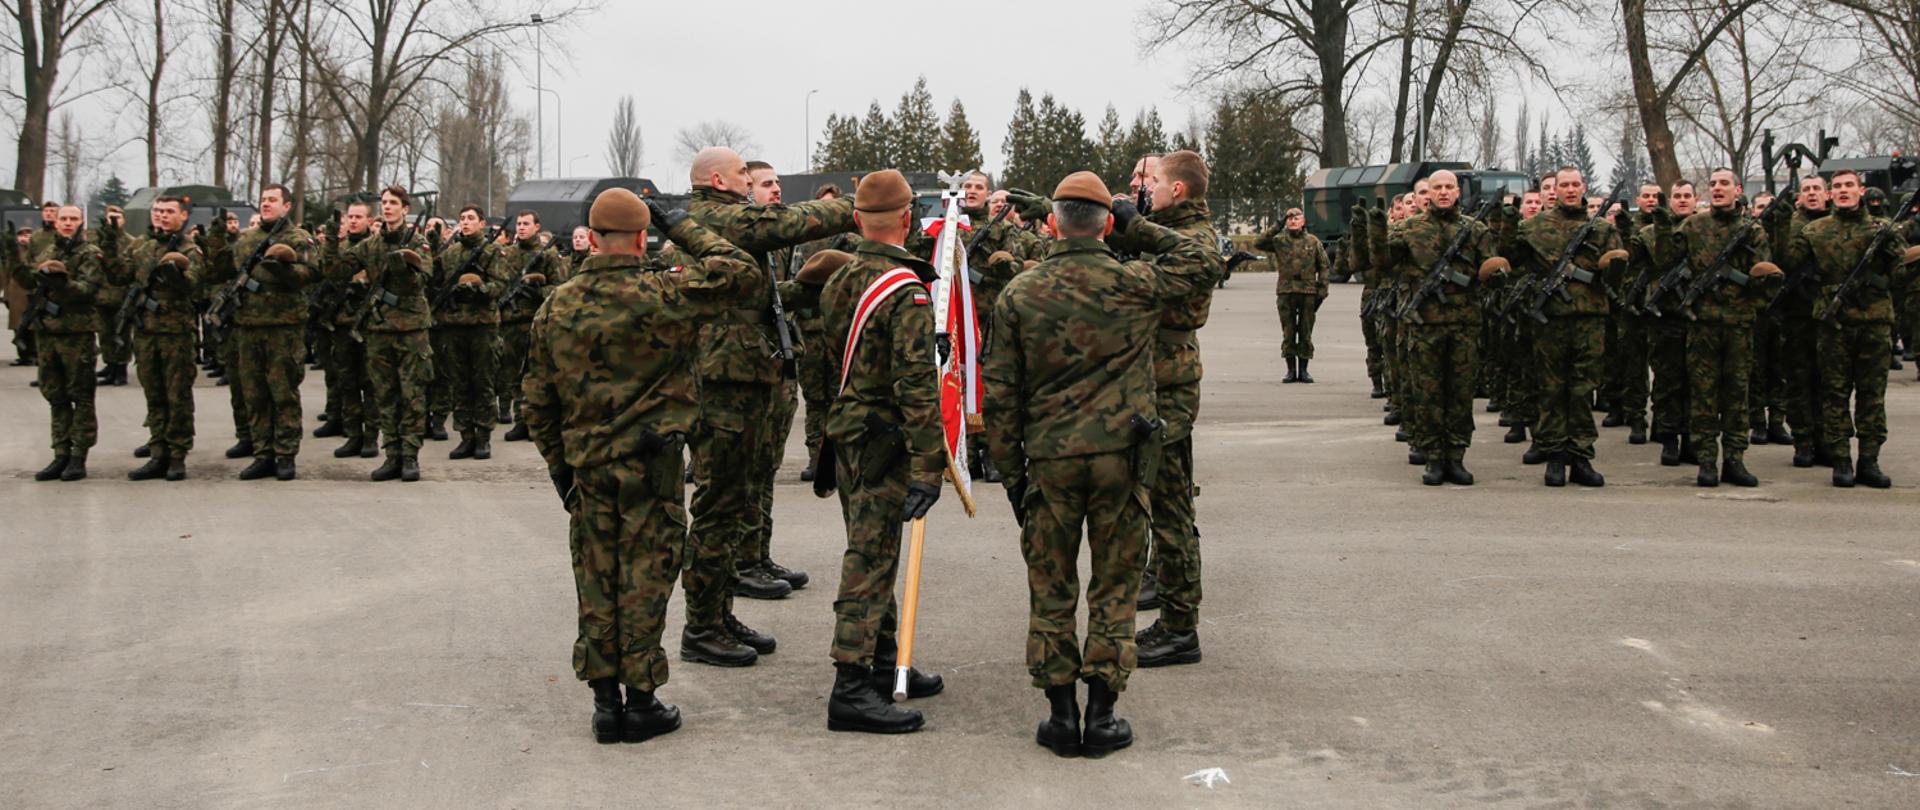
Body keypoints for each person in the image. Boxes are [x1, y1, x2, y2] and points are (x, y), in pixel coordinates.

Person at [984, 171, 1221, 758]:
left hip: (1051, 459)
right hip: (1121, 458)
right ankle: (1105, 714)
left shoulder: (1021, 292)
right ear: (1107, 225)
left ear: (1052, 224)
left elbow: (1000, 394)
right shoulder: (1135, 282)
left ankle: (1061, 716)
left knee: (1052, 586)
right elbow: (1201, 262)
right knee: (1115, 589)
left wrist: (1011, 472)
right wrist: (1142, 227)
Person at [522, 187, 758, 745]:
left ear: (592, 237)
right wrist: (680, 222)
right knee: (647, 577)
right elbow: (740, 271)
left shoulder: (557, 304)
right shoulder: (666, 292)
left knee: (597, 579)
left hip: (587, 465)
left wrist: (560, 469)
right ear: (641, 237)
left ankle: (606, 703)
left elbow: (536, 400)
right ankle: (642, 698)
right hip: (652, 463)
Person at [676, 146, 856, 667]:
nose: (750, 184)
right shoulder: (711, 214)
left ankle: (718, 612)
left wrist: (801, 291)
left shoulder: (720, 219)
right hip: (721, 382)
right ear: (719, 179)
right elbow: (784, 222)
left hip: (742, 376)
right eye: (741, 176)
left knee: (734, 502)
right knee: (717, 506)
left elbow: (753, 298)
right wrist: (856, 204)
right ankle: (701, 626)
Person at [806, 169, 948, 735]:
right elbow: (915, 385)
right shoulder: (905, 290)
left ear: (858, 220)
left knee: (876, 551)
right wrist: (929, 464)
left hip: (850, 435)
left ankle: (888, 663)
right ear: (909, 220)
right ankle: (851, 684)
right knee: (869, 561)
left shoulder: (842, 279)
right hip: (886, 443)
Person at [1131, 150, 1222, 668]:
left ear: (1178, 190)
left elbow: (1190, 273)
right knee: (1162, 501)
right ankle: (1170, 612)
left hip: (1169, 385)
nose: (1144, 187)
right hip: (1150, 377)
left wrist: (1137, 229)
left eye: (1152, 180)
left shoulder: (1194, 239)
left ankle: (1180, 628)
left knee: (1171, 508)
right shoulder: (1164, 228)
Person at [1787, 169, 1909, 488]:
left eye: (1848, 186)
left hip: (1873, 323)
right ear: (1830, 193)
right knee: (1834, 394)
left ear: (1861, 190)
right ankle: (1841, 459)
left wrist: (1881, 273)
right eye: (1837, 186)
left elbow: (1901, 275)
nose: (1843, 191)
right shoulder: (1814, 231)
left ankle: (1869, 460)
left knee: (1871, 397)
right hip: (1833, 325)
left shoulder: (1884, 230)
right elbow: (1790, 266)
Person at [1389, 170, 1506, 485]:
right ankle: (1434, 459)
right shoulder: (1408, 229)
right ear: (1427, 193)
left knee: (1459, 395)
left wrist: (1496, 276)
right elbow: (1383, 264)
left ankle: (1456, 456)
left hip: (1464, 326)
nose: (1442, 192)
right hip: (1425, 328)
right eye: (1436, 187)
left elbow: (1490, 266)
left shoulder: (1475, 229)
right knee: (1428, 395)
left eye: (1448, 187)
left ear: (1458, 191)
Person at [1670, 169, 1785, 486]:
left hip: (1738, 325)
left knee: (1737, 396)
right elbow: (1666, 263)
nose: (1718, 189)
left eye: (1725, 184)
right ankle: (1706, 461)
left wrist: (1749, 298)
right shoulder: (1693, 225)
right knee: (1703, 396)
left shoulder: (1752, 232)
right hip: (1703, 325)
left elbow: (1764, 275)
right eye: (1714, 184)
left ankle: (1734, 459)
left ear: (1737, 190)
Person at [1509, 167, 1621, 487]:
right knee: (1551, 389)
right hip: (1551, 320)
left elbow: (1615, 273)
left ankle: (1581, 457)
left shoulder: (1601, 229)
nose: (1570, 190)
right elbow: (1517, 264)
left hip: (1589, 319)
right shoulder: (1534, 227)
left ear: (1584, 187)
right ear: (1553, 190)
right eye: (1564, 185)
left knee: (1584, 390)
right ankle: (1555, 457)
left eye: (1575, 184)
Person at [206, 184, 314, 481]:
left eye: (272, 200)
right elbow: (218, 272)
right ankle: (263, 452)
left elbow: (310, 274)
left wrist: (284, 271)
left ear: (287, 205)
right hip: (248, 328)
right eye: (263, 200)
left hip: (283, 329)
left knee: (283, 394)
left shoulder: (297, 238)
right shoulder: (246, 240)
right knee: (254, 394)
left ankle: (285, 454)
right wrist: (216, 240)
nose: (266, 205)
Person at [739, 160, 811, 593]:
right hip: (748, 367)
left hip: (779, 362)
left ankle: (760, 554)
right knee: (747, 470)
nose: (776, 190)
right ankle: (744, 561)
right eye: (766, 185)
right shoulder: (740, 240)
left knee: (767, 467)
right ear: (746, 191)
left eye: (778, 183)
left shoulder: (778, 243)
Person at [111, 196, 203, 480]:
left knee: (177, 396)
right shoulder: (141, 246)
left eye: (168, 212)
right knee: (154, 394)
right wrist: (109, 240)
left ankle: (177, 455)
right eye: (157, 211)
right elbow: (119, 275)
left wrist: (174, 273)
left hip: (176, 334)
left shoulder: (190, 249)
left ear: (183, 215)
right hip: (146, 332)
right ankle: (157, 451)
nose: (161, 216)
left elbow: (193, 285)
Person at [13, 205, 102, 481]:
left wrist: (61, 282)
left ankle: (78, 455)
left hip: (77, 334)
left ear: (81, 222)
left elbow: (88, 289)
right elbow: (28, 280)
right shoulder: (47, 251)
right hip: (48, 333)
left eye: (73, 219)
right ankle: (60, 452)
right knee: (55, 395)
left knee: (81, 395)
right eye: (63, 218)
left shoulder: (89, 254)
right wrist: (12, 255)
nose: (67, 223)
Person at [354, 186, 433, 482]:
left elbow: (425, 278)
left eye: (393, 203)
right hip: (379, 328)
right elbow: (343, 264)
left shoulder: (419, 242)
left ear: (405, 208)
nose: (387, 207)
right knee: (385, 393)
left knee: (412, 393)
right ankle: (392, 454)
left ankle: (410, 456)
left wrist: (405, 267)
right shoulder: (371, 245)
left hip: (411, 329)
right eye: (384, 202)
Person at [433, 206, 509, 460]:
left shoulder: (492, 252)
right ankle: (466, 435)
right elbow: (438, 283)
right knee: (459, 383)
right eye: (463, 219)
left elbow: (500, 285)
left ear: (482, 223)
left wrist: (479, 290)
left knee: (484, 382)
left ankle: (484, 437)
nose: (465, 223)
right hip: (454, 325)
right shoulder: (451, 253)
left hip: (482, 325)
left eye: (470, 219)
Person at [497, 211, 567, 443]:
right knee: (514, 375)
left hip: (535, 322)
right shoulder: (508, 254)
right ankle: (521, 420)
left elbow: (559, 289)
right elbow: (500, 284)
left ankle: (538, 421)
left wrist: (536, 290)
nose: (521, 228)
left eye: (526, 224)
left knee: (537, 374)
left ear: (537, 227)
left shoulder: (548, 255)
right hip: (511, 322)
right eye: (518, 224)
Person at [320, 202, 382, 459]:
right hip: (343, 323)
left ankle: (370, 437)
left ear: (369, 220)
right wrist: (332, 240)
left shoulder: (375, 248)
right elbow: (329, 272)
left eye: (359, 217)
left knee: (370, 382)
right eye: (351, 217)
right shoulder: (343, 248)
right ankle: (353, 434)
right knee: (346, 381)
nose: (354, 221)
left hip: (368, 323)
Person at [1646, 180, 1699, 467]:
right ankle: (1669, 439)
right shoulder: (1656, 233)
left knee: (1697, 382)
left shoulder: (1704, 230)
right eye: (1677, 196)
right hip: (1667, 318)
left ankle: (1692, 438)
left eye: (1686, 196)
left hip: (1699, 318)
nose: (1681, 200)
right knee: (1667, 382)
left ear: (1695, 199)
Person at [1259, 207, 1329, 384]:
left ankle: (1304, 370)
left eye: (1296, 217)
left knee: (1306, 331)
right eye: (1289, 218)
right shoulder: (1280, 241)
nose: (1292, 220)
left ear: (1303, 221)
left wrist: (1322, 289)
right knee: (1288, 332)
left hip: (1307, 292)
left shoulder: (1313, 242)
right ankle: (1290, 370)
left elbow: (1324, 266)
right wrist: (1278, 225)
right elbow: (1259, 243)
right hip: (1286, 291)